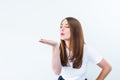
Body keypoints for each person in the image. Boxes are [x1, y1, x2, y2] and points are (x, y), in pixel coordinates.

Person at [39, 17, 112, 80]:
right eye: (61, 26)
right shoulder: (58, 48)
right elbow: (57, 72)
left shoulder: (86, 49)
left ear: (75, 30)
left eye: (67, 26)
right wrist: (54, 46)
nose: (62, 29)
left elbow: (107, 67)